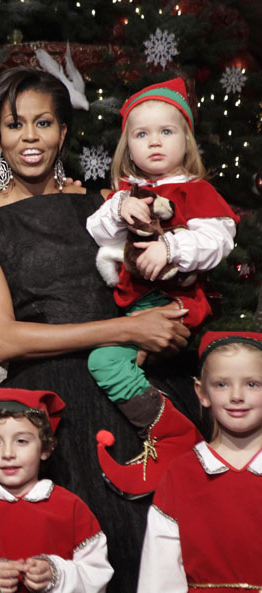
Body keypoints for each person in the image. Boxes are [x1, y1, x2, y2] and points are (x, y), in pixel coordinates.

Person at [0, 67, 191, 593]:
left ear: (64, 131)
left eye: (44, 123)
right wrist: (126, 332)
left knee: (146, 553)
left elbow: (161, 282)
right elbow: (2, 340)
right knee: (47, 562)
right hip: (45, 413)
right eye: (14, 126)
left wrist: (155, 329)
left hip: (127, 395)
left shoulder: (106, 203)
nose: (29, 138)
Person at [85, 78, 238, 491]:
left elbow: (217, 239)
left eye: (166, 131)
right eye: (142, 134)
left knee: (104, 362)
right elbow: (97, 230)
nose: (155, 142)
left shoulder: (197, 191)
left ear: (186, 140)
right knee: (113, 362)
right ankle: (164, 431)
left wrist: (170, 247)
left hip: (177, 301)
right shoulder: (128, 193)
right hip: (137, 305)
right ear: (128, 146)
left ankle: (169, 433)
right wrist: (120, 206)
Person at [0, 387, 113, 593]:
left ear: (45, 449)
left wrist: (55, 574)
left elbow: (97, 574)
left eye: (21, 441)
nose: (8, 453)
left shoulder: (71, 508)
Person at [137, 331, 262, 592]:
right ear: (201, 392)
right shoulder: (182, 474)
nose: (236, 395)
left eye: (252, 384)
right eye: (221, 384)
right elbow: (160, 571)